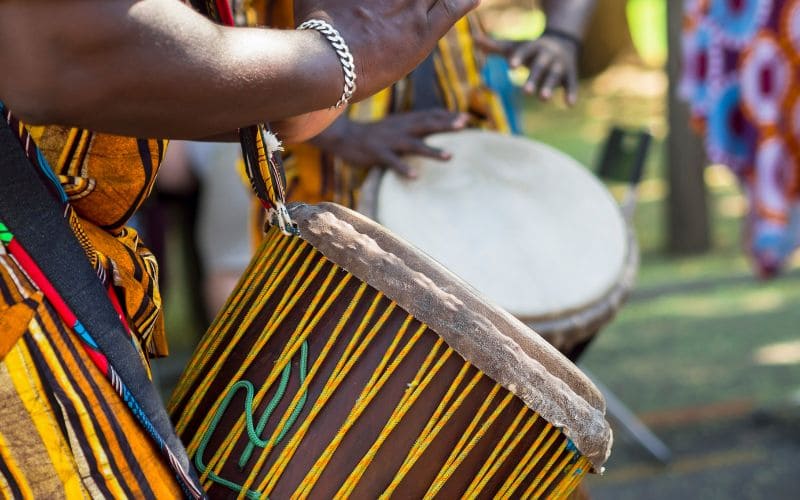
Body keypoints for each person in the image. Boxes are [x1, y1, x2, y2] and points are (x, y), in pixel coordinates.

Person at [0, 0, 477, 495]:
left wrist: (322, 67)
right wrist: (334, 56)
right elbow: (59, 52)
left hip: (61, 262)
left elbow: (276, 111)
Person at [681, 0, 800, 277]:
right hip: (743, 23)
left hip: (779, 23)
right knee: (757, 113)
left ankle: (774, 226)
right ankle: (768, 224)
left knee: (777, 113)